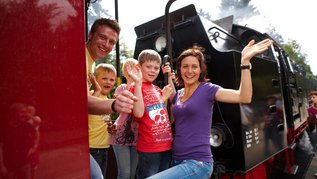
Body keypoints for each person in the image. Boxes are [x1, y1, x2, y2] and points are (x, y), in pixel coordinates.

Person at [148, 39, 273, 179]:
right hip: (176, 160)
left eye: (194, 67)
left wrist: (245, 62)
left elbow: (244, 96)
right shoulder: (178, 95)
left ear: (201, 69)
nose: (189, 71)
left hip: (197, 163)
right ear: (180, 69)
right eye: (185, 66)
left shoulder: (207, 90)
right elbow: (169, 121)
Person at [86, 18, 137, 179]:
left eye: (111, 42)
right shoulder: (82, 58)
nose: (106, 44)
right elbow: (81, 102)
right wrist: (115, 104)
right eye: (102, 37)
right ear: (90, 34)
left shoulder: (91, 63)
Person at [130, 49, 175, 179]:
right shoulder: (136, 87)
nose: (152, 70)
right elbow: (138, 113)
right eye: (148, 66)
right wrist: (163, 99)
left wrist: (169, 78)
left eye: (156, 68)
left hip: (166, 145)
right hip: (150, 148)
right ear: (139, 67)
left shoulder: (156, 89)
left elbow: (174, 100)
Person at [108, 58, 142, 179]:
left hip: (137, 135)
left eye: (133, 66)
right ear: (124, 72)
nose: (130, 69)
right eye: (127, 67)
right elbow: (121, 107)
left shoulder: (142, 88)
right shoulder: (121, 88)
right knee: (125, 173)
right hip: (120, 133)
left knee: (132, 174)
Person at [88, 63, 117, 178]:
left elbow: (104, 121)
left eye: (112, 80)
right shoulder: (91, 95)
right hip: (92, 147)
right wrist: (97, 90)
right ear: (94, 79)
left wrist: (110, 128)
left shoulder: (107, 100)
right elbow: (89, 107)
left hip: (104, 147)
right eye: (104, 78)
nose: (108, 82)